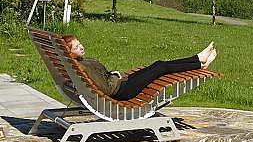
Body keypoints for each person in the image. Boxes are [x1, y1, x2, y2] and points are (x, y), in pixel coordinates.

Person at [64, 34, 217, 101]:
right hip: (122, 91)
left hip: (122, 84)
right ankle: (199, 62)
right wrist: (114, 76)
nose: (81, 47)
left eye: (80, 44)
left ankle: (198, 59)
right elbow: (106, 88)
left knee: (158, 64)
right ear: (69, 53)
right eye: (77, 47)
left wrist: (114, 75)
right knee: (161, 67)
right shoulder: (82, 67)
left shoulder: (79, 64)